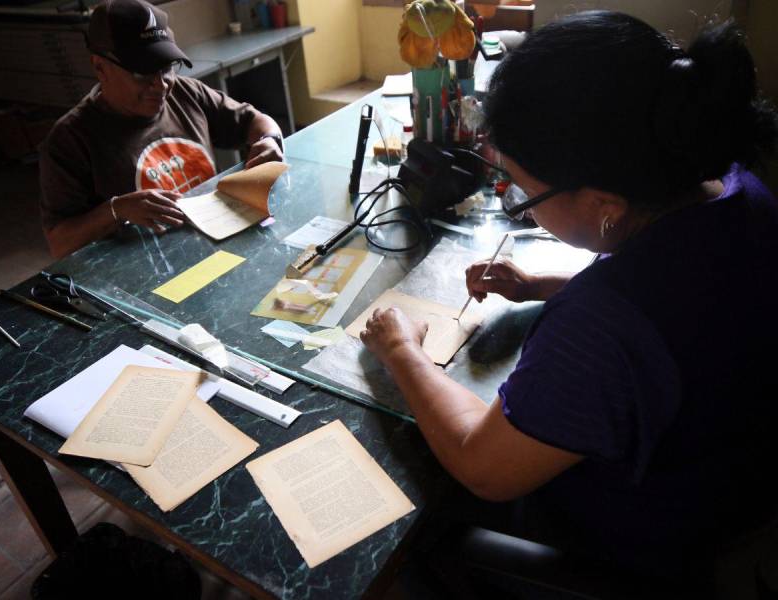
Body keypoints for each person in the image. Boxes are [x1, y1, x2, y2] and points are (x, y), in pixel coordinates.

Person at [360, 10, 778, 588]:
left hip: (629, 544)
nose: (523, 209)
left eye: (525, 194)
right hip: (727, 489)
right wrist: (538, 287)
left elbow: (484, 467)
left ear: (605, 205)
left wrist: (400, 349)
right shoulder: (736, 189)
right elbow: (683, 308)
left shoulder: (597, 330)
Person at [39, 0, 284, 258]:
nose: (162, 85)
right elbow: (60, 243)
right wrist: (116, 209)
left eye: (166, 67)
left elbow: (255, 120)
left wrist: (269, 140)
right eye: (141, 73)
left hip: (212, 243)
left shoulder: (186, 93)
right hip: (146, 268)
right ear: (100, 67)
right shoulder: (69, 141)